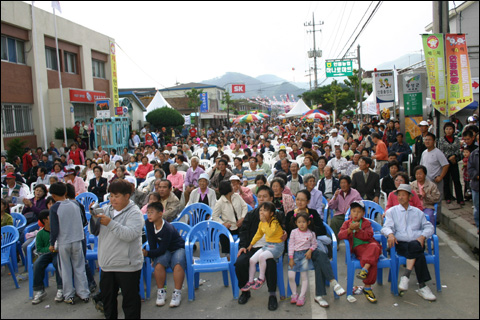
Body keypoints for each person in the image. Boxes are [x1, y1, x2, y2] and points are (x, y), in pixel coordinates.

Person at [89, 179, 144, 318]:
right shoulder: (106, 209)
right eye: (111, 196)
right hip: (107, 265)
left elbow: (130, 235)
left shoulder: (134, 213)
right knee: (108, 303)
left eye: (117, 196)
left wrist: (110, 223)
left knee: (130, 303)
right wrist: (93, 217)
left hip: (127, 266)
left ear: (127, 196)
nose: (113, 199)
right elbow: (93, 231)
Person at [284, 189, 346, 307]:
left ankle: (324, 290)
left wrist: (308, 229)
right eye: (297, 199)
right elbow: (288, 232)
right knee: (320, 259)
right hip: (297, 251)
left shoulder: (313, 213)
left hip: (311, 247)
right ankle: (328, 287)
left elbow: (322, 230)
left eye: (303, 200)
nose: (300, 202)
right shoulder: (290, 214)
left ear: (308, 201)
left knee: (320, 256)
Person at [382, 184, 436, 301]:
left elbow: (429, 227)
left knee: (415, 245)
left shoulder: (417, 212)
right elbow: (385, 227)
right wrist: (390, 234)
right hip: (401, 243)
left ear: (409, 197)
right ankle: (422, 286)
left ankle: (406, 276)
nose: (400, 197)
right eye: (399, 195)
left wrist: (422, 237)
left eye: (403, 195)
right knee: (418, 253)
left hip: (416, 242)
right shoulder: (392, 211)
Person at [236, 186, 281, 310]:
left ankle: (272, 295)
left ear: (271, 199)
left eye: (265, 196)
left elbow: (284, 230)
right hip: (253, 247)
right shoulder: (251, 215)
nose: (261, 199)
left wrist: (284, 235)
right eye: (259, 197)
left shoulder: (277, 215)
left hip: (271, 247)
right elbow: (243, 232)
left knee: (270, 263)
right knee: (240, 262)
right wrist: (243, 246)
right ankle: (245, 292)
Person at [49, 182, 90, 304]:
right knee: (80, 267)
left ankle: (69, 295)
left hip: (64, 241)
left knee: (65, 269)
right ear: (65, 192)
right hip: (77, 239)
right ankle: (84, 293)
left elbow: (54, 228)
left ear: (53, 195)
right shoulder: (76, 204)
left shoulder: (54, 208)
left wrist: (52, 243)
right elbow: (83, 222)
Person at [143, 202, 186, 308]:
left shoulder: (168, 228)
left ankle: (177, 293)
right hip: (165, 249)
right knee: (158, 265)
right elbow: (152, 242)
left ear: (160, 214)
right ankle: (161, 292)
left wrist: (147, 253)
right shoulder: (148, 223)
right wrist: (153, 257)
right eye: (148, 212)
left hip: (177, 248)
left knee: (178, 264)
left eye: (152, 212)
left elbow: (161, 249)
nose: (149, 215)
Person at [338, 201, 381, 303]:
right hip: (358, 248)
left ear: (363, 214)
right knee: (372, 260)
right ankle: (367, 288)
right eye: (353, 211)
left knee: (375, 247)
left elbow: (368, 236)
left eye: (359, 212)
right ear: (350, 213)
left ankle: (364, 270)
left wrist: (358, 231)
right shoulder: (347, 223)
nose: (356, 214)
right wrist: (350, 230)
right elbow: (340, 235)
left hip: (369, 246)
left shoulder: (366, 223)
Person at [242, 202, 284, 294]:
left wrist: (264, 221)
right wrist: (251, 244)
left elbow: (269, 233)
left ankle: (261, 278)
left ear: (271, 213)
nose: (262, 212)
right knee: (252, 260)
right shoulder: (262, 223)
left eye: (265, 210)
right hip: (268, 245)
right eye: (260, 210)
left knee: (262, 257)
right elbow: (258, 234)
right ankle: (250, 281)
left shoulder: (274, 222)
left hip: (277, 246)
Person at [31, 209, 64, 305]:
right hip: (46, 254)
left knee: (57, 263)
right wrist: (48, 249)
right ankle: (39, 290)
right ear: (45, 220)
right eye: (50, 217)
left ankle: (60, 288)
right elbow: (39, 249)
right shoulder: (40, 234)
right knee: (37, 264)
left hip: (57, 252)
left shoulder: (58, 229)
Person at [287, 211, 317, 307]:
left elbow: (315, 244)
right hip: (295, 255)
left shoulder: (311, 233)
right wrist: (291, 258)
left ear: (308, 222)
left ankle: (301, 296)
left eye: (304, 222)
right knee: (291, 276)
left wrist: (310, 250)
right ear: (296, 223)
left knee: (304, 277)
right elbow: (291, 245)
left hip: (305, 256)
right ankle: (294, 294)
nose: (301, 224)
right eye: (299, 222)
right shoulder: (293, 232)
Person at [212, 180, 248, 255]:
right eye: (232, 186)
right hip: (229, 226)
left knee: (246, 233)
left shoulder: (237, 196)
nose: (233, 187)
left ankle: (244, 251)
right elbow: (214, 216)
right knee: (222, 234)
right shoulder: (220, 202)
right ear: (227, 189)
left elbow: (244, 206)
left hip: (240, 224)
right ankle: (227, 255)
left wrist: (242, 218)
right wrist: (223, 223)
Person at [420, 133, 449, 218]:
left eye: (429, 140)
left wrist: (441, 176)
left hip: (435, 181)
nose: (427, 141)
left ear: (434, 141)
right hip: (426, 182)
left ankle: (437, 220)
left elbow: (446, 165)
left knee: (436, 201)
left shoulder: (438, 152)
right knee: (426, 200)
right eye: (426, 139)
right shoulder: (424, 153)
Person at [438, 122, 464, 205]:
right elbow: (441, 151)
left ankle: (460, 198)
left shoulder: (456, 139)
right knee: (446, 180)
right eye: (447, 129)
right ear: (444, 130)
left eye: (450, 129)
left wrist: (454, 156)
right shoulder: (441, 140)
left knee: (456, 180)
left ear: (453, 130)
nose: (448, 131)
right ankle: (448, 197)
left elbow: (458, 150)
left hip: (454, 162)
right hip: (445, 163)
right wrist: (449, 157)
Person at [468, 134, 479, 234]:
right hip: (476, 186)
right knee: (477, 208)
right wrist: (477, 176)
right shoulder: (474, 154)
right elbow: (470, 169)